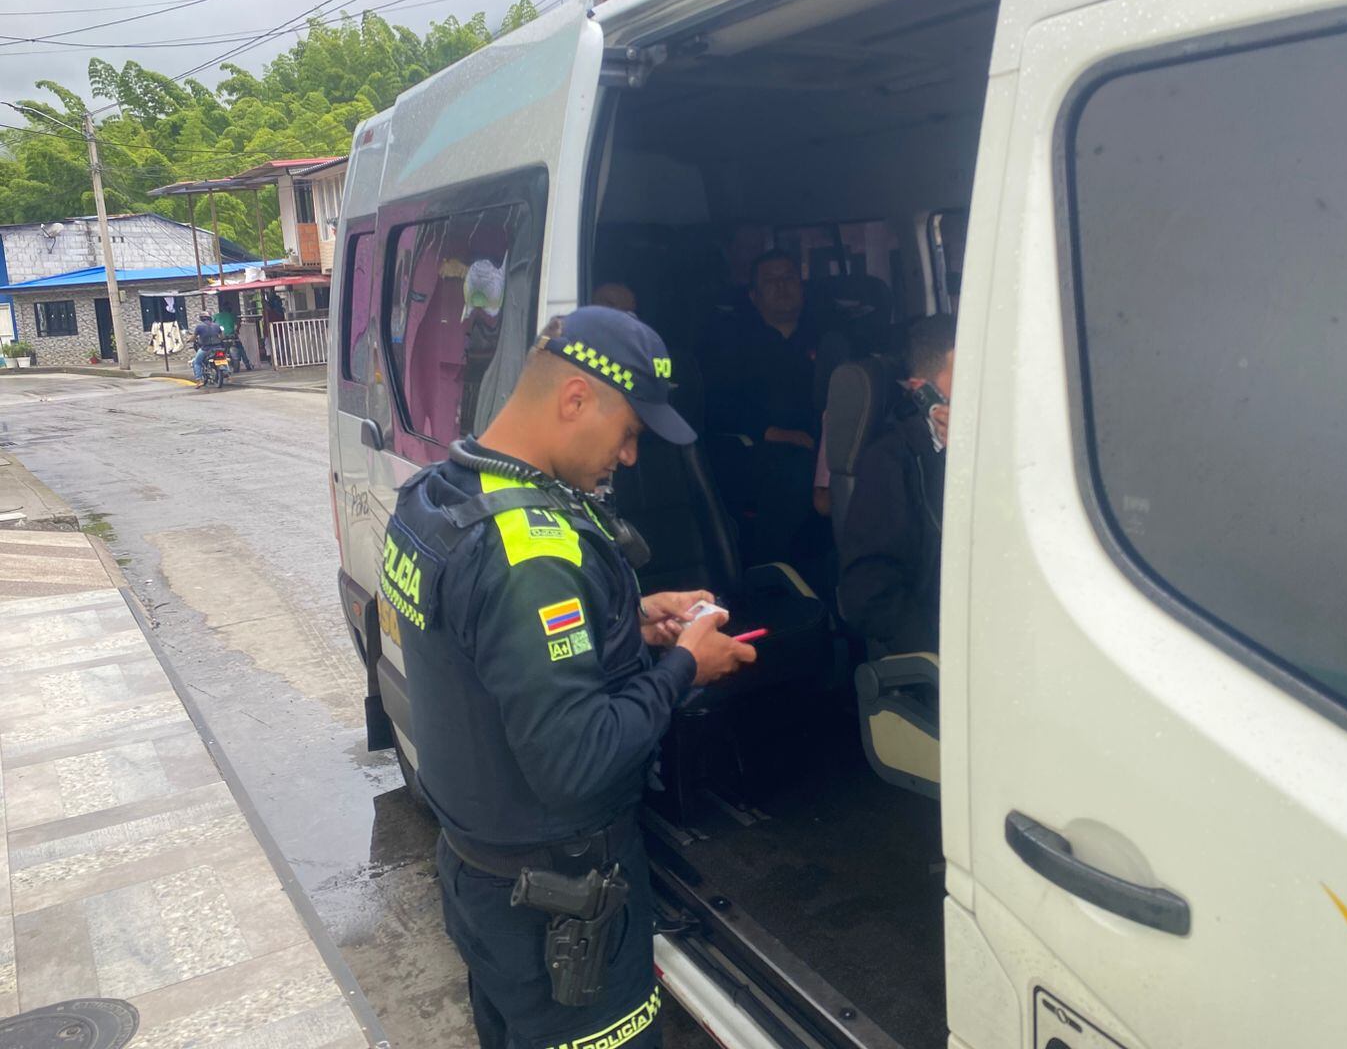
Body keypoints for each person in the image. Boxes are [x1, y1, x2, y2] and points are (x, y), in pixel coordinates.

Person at [382, 305, 755, 1049]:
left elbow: (489, 654)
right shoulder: (533, 557)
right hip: (560, 904)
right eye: (630, 434)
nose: (629, 458)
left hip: (481, 877)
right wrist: (685, 665)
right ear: (576, 399)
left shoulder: (440, 497)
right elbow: (577, 762)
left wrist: (631, 620)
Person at [837, 314, 956, 660]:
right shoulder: (890, 461)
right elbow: (869, 592)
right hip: (944, 650)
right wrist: (941, 657)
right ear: (923, 392)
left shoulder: (1001, 449)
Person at [702, 250, 826, 568]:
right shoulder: (731, 344)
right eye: (770, 280)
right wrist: (781, 434)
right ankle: (778, 574)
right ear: (753, 296)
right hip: (764, 450)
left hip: (830, 444)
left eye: (789, 278)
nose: (782, 286)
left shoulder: (828, 337)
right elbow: (717, 406)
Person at [214, 305, 253, 371]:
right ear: (229, 309)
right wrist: (237, 330)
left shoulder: (216, 316)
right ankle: (247, 365)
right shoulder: (232, 315)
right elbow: (238, 324)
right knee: (241, 349)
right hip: (232, 336)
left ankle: (220, 367)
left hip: (221, 337)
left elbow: (212, 324)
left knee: (218, 350)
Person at [189, 311, 224, 384]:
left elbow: (193, 337)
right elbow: (222, 337)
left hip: (206, 348)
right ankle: (228, 374)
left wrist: (189, 340)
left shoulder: (199, 327)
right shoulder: (217, 325)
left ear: (201, 318)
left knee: (197, 362)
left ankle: (199, 380)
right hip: (218, 347)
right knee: (222, 358)